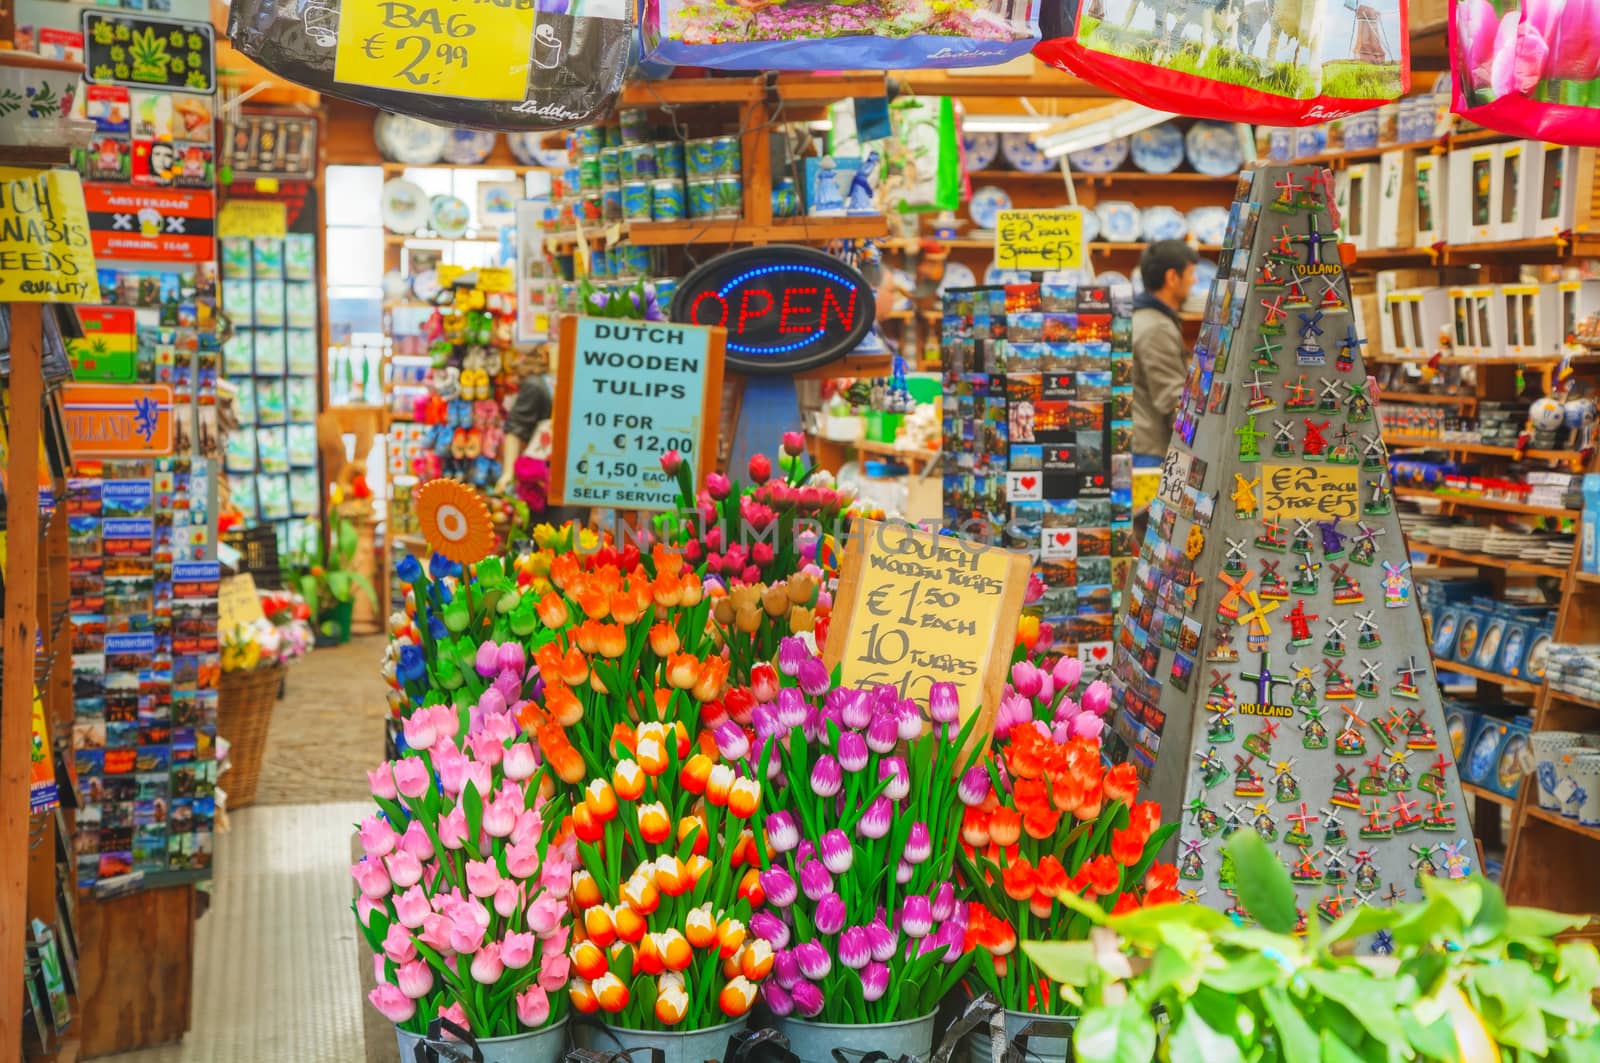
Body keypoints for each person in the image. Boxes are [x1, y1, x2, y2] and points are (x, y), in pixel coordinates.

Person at [1131, 239, 1198, 467]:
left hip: (1140, 446)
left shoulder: (1143, 318)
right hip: (1148, 452)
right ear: (1172, 277)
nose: (1194, 281)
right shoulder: (1156, 327)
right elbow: (1172, 397)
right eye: (1190, 274)